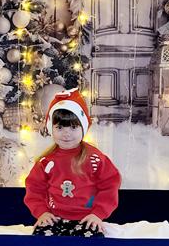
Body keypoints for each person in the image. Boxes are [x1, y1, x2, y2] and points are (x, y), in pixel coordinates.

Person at [24, 88, 121, 237]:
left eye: (73, 127)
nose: (66, 133)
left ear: (83, 127)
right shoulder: (46, 162)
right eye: (59, 127)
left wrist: (98, 214)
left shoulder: (95, 159)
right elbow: (34, 189)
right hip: (54, 218)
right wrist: (42, 213)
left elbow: (110, 185)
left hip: (87, 218)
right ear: (51, 128)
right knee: (41, 244)